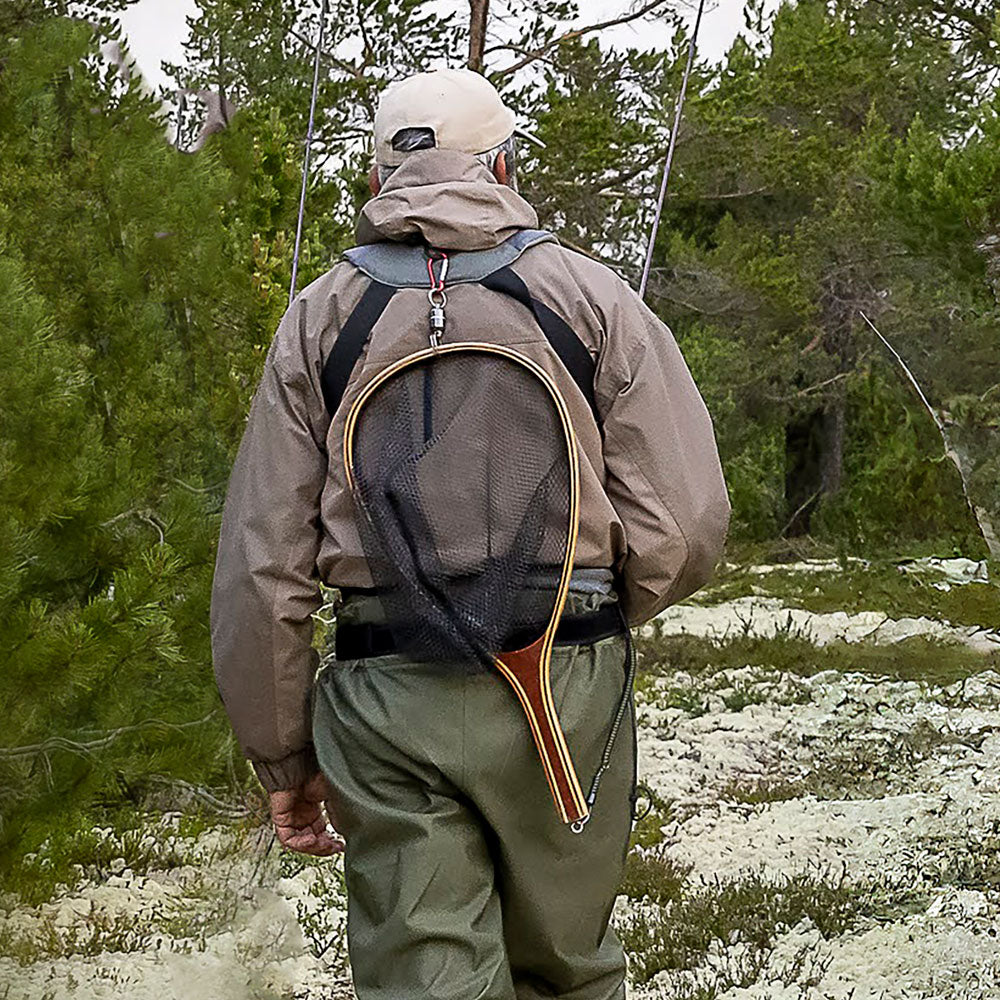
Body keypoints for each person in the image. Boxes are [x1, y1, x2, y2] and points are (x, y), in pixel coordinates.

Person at [211, 67, 730, 1000]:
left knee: (427, 980)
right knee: (567, 971)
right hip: (563, 678)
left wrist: (285, 752)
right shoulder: (590, 298)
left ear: (377, 182)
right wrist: (592, 611)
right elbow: (686, 524)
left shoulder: (318, 317)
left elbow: (265, 567)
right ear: (504, 163)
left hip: (385, 690)